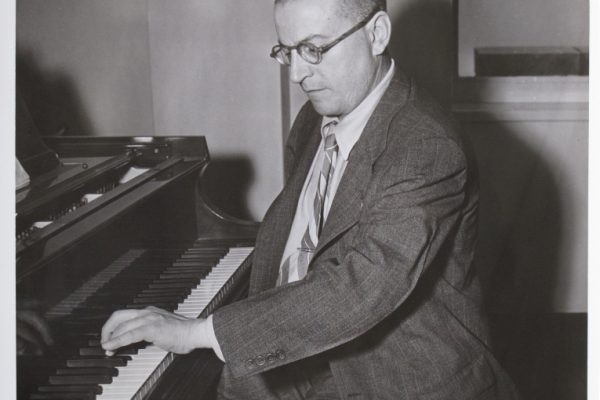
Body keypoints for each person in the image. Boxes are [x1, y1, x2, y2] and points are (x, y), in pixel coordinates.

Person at [102, 0, 520, 398]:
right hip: (307, 362)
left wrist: (197, 332)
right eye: (287, 51)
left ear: (376, 34)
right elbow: (300, 244)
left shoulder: (424, 144)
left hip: (401, 379)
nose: (297, 74)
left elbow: (360, 287)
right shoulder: (314, 118)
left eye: (315, 49)